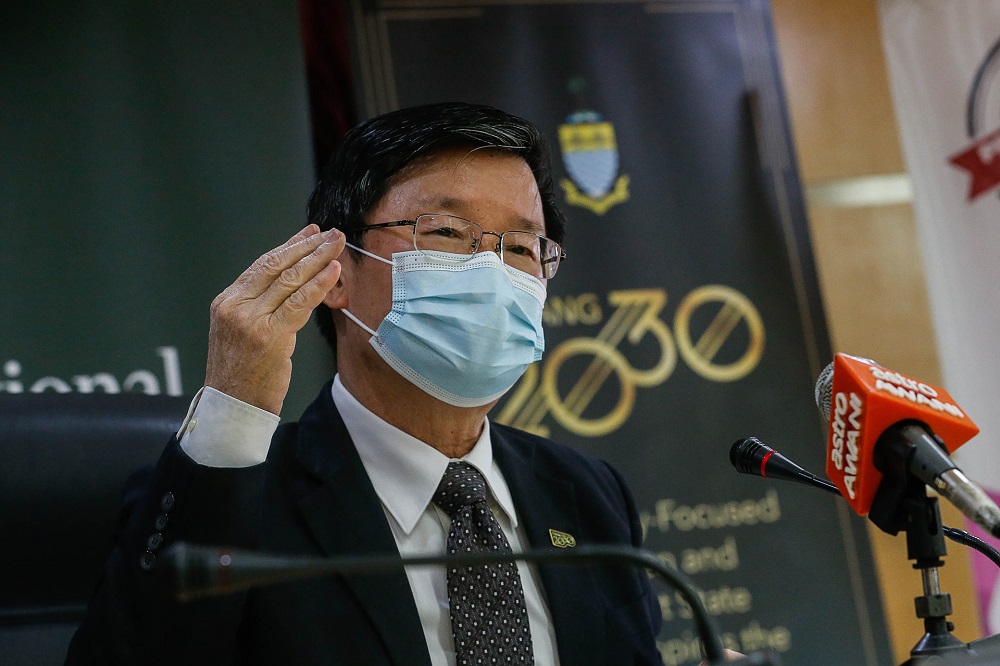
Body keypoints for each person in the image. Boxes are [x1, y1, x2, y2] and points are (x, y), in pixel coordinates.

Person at [66, 102, 665, 665]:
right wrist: (232, 406)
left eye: (524, 246)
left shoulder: (587, 491)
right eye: (447, 232)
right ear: (334, 270)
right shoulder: (236, 495)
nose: (492, 270)